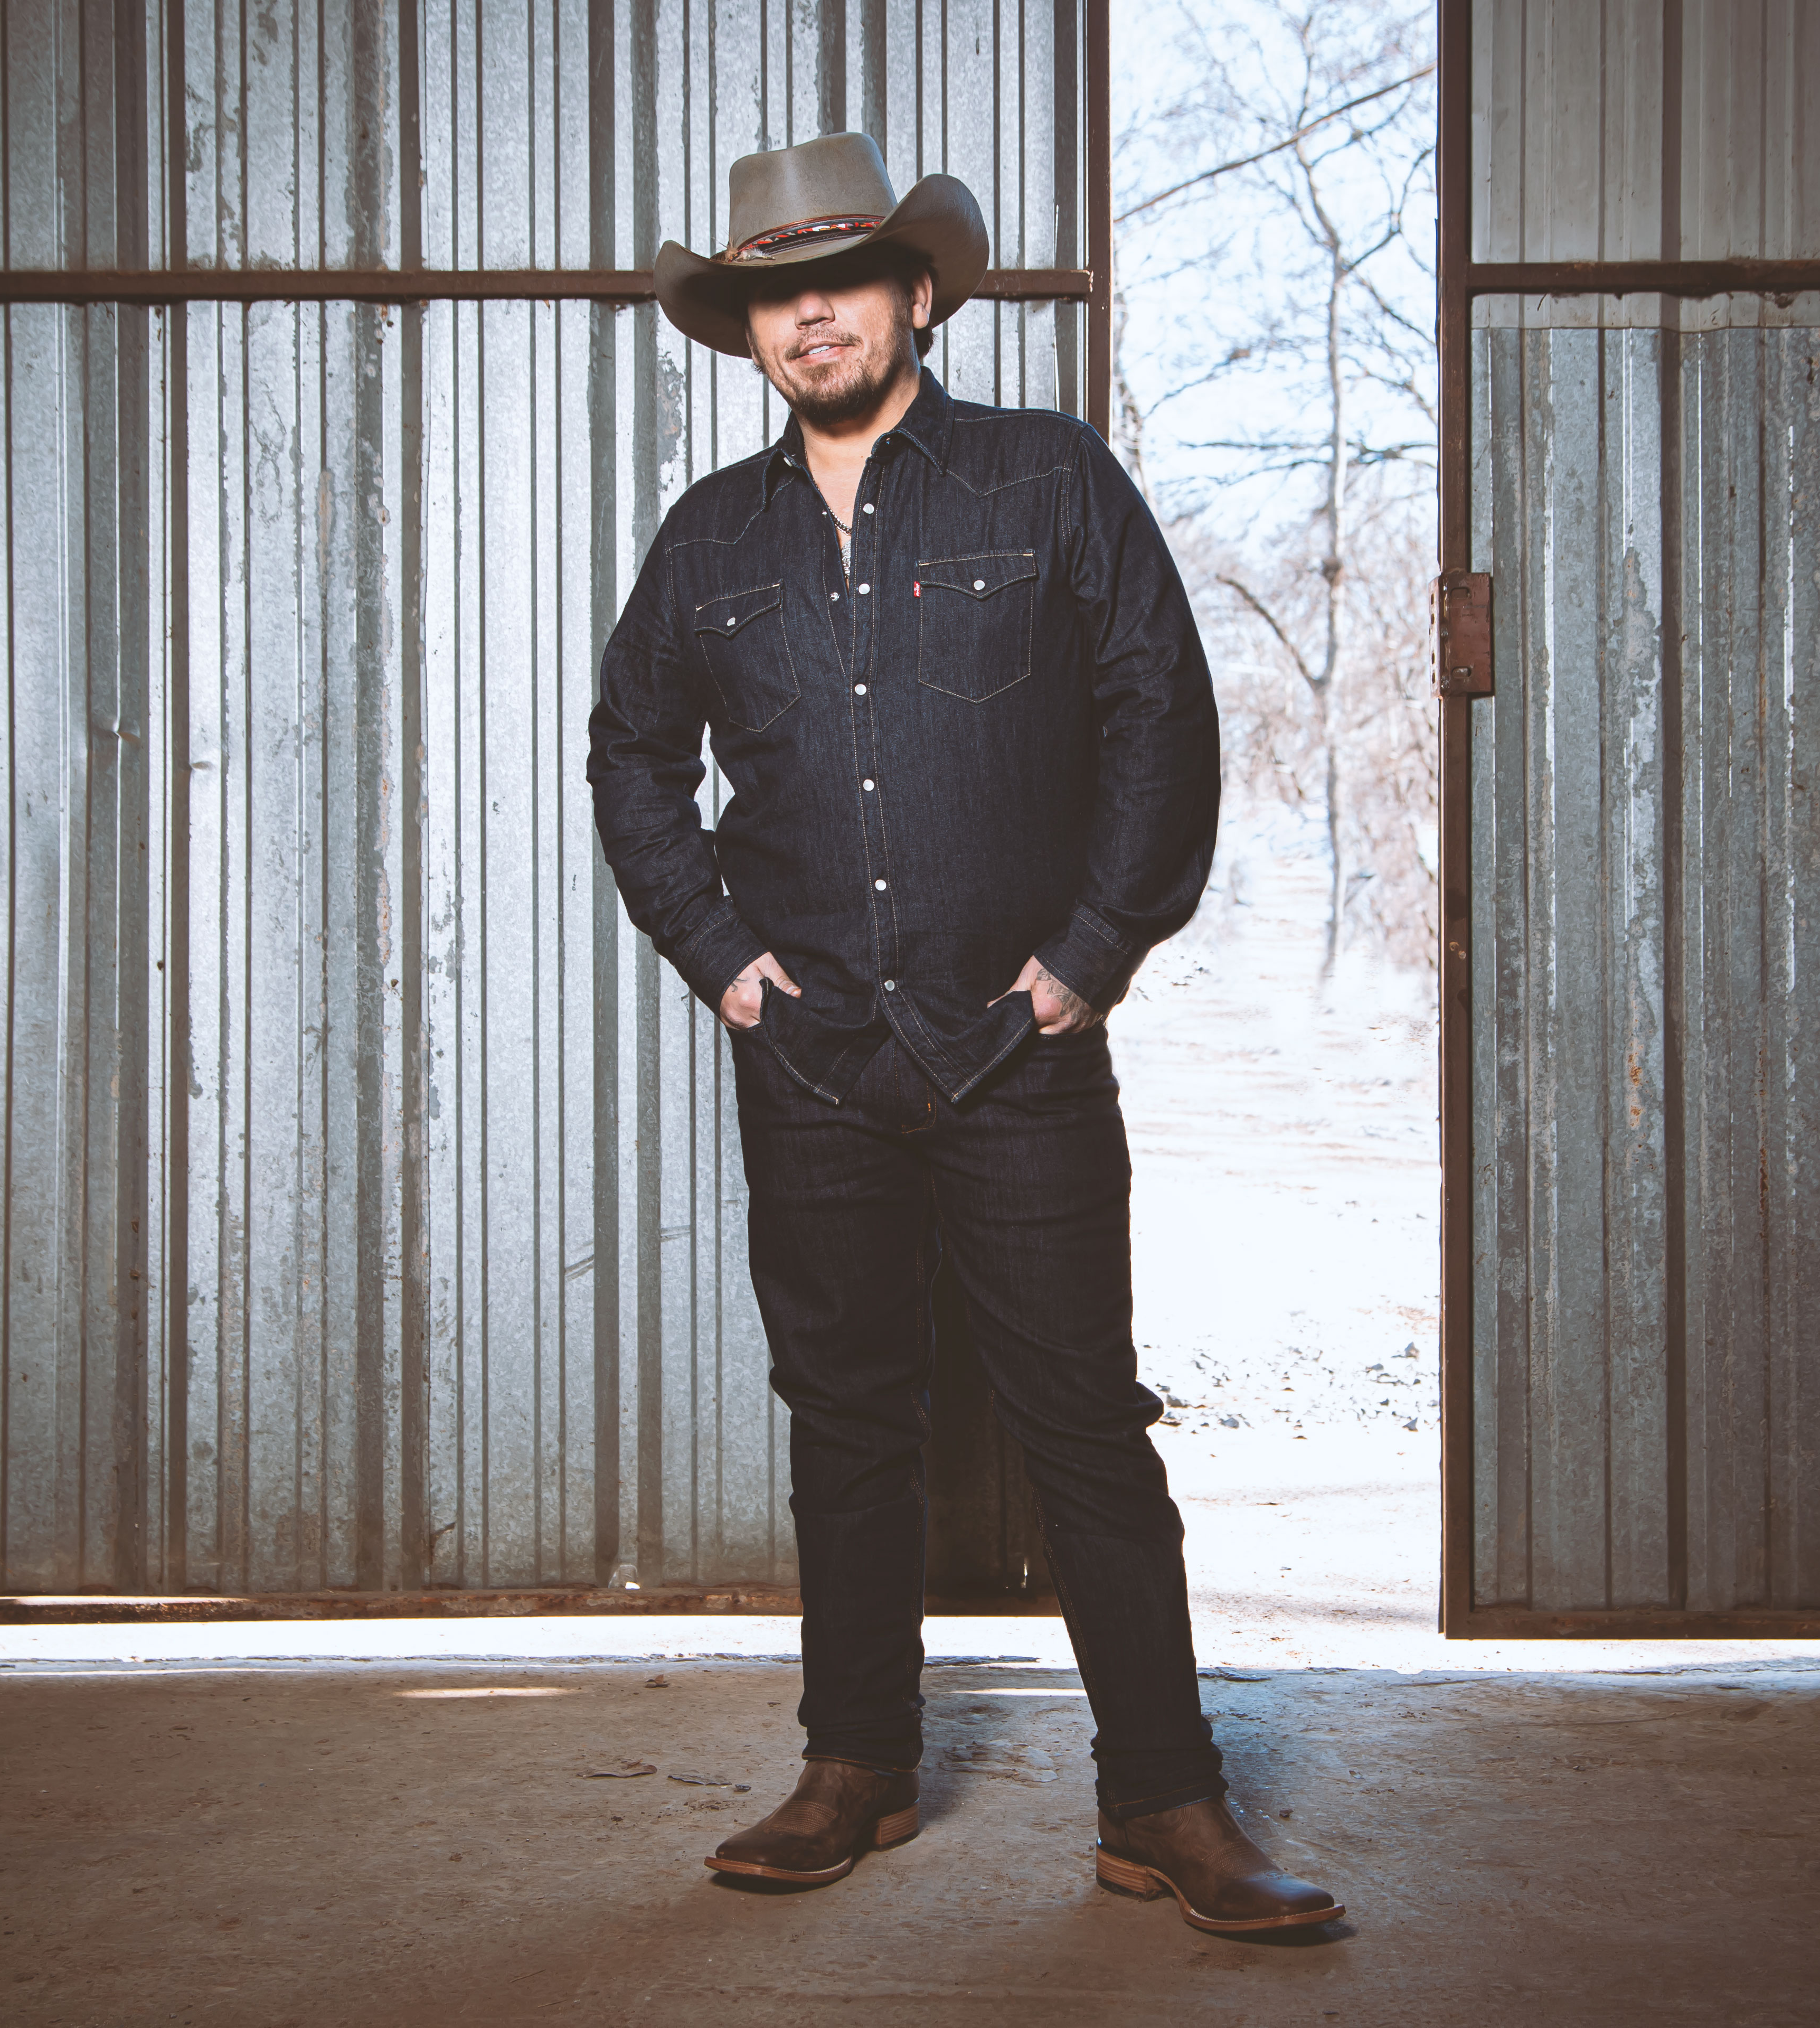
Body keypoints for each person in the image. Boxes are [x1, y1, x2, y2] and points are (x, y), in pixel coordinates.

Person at [585, 133, 1341, 1938]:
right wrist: (725, 963)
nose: (811, 317)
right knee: (847, 1419)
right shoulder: (710, 540)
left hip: (1019, 1051)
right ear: (750, 330)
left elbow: (1162, 714)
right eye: (776, 295)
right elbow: (632, 758)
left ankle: (1165, 1803)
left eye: (840, 279)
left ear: (917, 292)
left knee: (1084, 1422)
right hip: (813, 1065)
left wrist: (1086, 959)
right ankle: (853, 1765)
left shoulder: (1048, 479)